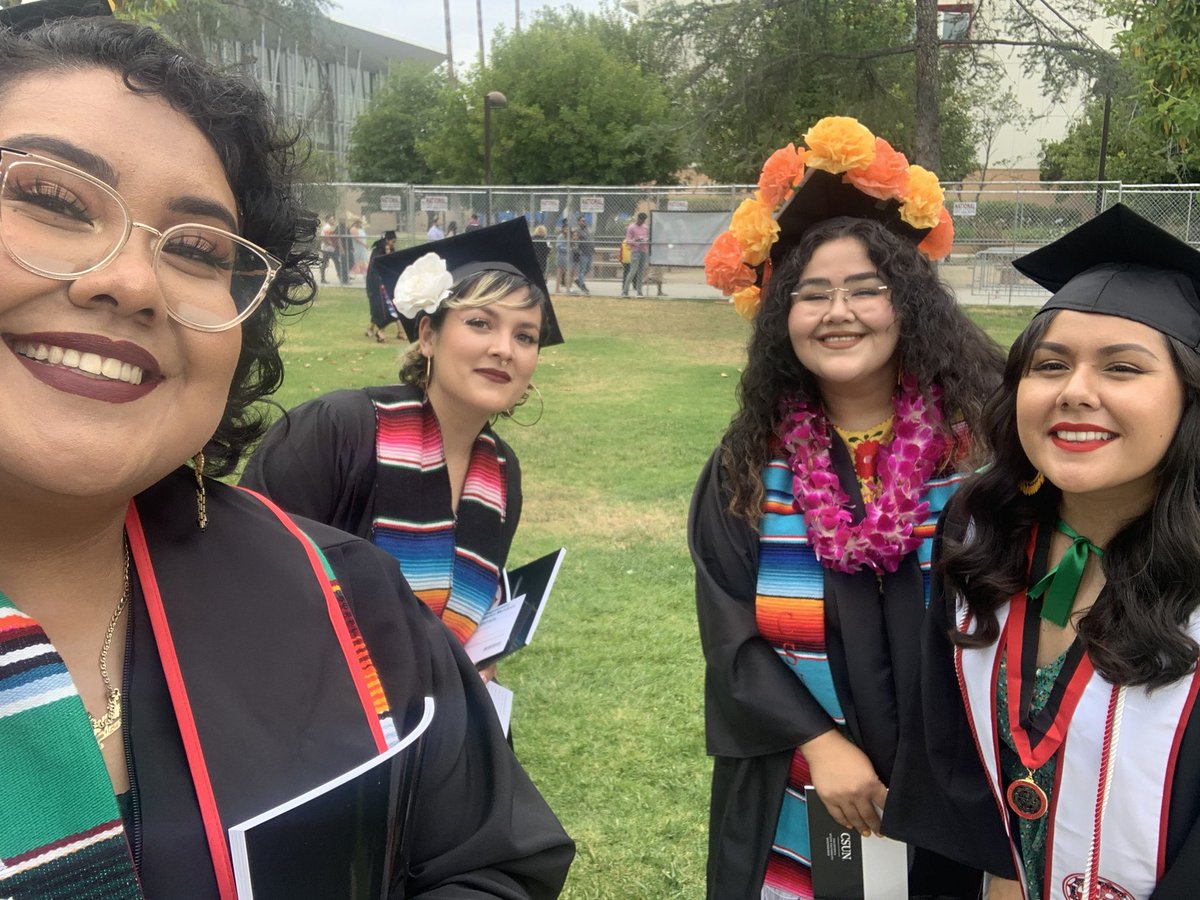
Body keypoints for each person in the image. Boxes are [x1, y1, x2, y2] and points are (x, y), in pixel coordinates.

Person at [0, 8, 573, 898]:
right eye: (48, 198)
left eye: (195, 249)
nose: (131, 280)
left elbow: (491, 860)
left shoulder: (348, 591)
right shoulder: (345, 429)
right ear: (426, 335)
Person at [690, 116, 1004, 900]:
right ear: (779, 317)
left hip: (963, 780)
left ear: (910, 304)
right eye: (814, 293)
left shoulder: (983, 452)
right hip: (804, 782)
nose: (841, 312)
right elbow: (729, 632)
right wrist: (822, 745)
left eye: (868, 288)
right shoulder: (745, 467)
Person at [887, 204, 1200, 899]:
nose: (1075, 391)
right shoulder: (979, 533)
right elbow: (947, 751)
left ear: (1189, 400)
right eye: (1050, 364)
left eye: (1123, 367)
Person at [242, 219, 563, 656]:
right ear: (428, 336)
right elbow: (247, 579)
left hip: (437, 717)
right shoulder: (337, 429)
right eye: (480, 323)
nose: (505, 349)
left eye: (525, 336)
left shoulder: (502, 473)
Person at [364, 229, 397, 342]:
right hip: (376, 284)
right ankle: (381, 331)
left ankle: (371, 329)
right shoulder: (378, 251)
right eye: (392, 241)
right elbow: (375, 268)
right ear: (387, 241)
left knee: (386, 308)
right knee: (381, 308)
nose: (393, 244)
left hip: (386, 283)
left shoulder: (390, 249)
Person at [621, 211, 649, 297]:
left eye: (643, 220)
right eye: (641, 220)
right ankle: (625, 291)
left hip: (644, 250)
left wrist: (645, 240)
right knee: (633, 271)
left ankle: (639, 291)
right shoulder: (631, 227)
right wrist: (635, 241)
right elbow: (628, 240)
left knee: (641, 272)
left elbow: (648, 237)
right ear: (638, 219)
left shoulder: (645, 227)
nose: (642, 222)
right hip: (635, 251)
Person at [573, 215, 593, 295]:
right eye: (582, 221)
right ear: (578, 222)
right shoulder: (577, 231)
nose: (584, 222)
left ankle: (578, 280)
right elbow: (574, 239)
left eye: (584, 221)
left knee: (588, 269)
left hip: (589, 252)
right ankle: (582, 286)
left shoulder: (587, 230)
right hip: (583, 253)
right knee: (582, 270)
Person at [318, 213, 337, 284]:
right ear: (327, 220)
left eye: (333, 219)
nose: (333, 221)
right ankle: (323, 279)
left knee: (325, 263)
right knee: (326, 263)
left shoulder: (329, 227)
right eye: (331, 219)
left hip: (329, 248)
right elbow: (325, 238)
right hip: (327, 249)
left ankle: (323, 278)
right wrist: (332, 244)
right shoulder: (327, 227)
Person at [554, 219, 569, 294]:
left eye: (568, 229)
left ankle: (565, 289)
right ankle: (557, 289)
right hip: (561, 256)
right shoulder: (561, 236)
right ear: (563, 229)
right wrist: (567, 249)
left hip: (566, 257)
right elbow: (558, 246)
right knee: (560, 273)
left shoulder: (567, 237)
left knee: (564, 273)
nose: (567, 230)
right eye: (565, 228)